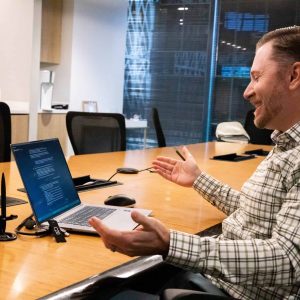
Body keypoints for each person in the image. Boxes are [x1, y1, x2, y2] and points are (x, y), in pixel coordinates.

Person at [89, 26, 300, 299]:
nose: (247, 91)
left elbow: (289, 262)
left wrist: (170, 242)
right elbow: (258, 214)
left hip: (232, 291)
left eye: (256, 77)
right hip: (216, 278)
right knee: (110, 284)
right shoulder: (286, 144)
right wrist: (199, 180)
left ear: (294, 75)